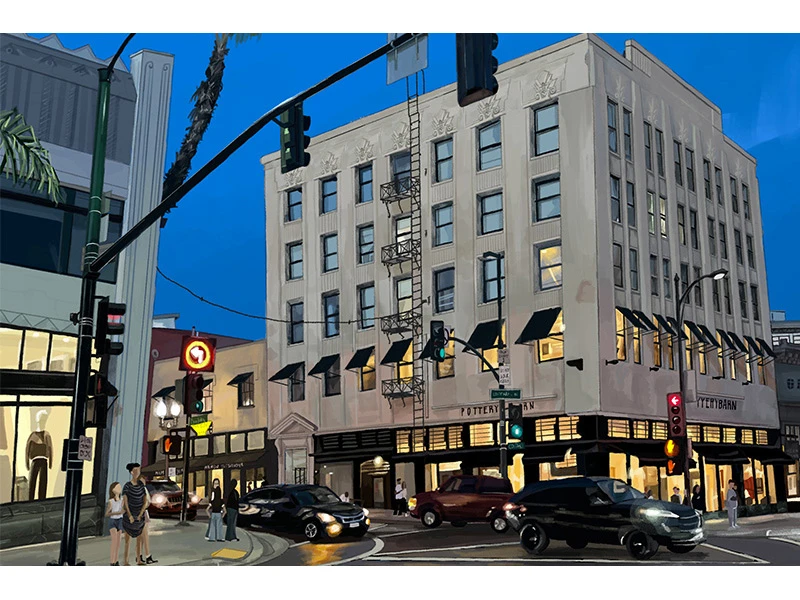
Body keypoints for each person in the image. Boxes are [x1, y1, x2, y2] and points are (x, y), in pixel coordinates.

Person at [122, 463, 148, 565]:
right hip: (130, 515)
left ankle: (138, 559)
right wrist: (129, 515)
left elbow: (145, 500)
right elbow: (125, 502)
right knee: (127, 540)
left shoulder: (141, 485)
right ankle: (126, 561)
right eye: (135, 471)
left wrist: (141, 513)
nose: (137, 472)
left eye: (139, 470)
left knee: (139, 539)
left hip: (139, 515)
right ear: (131, 472)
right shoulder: (127, 486)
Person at [138, 475, 157, 564]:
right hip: (142, 513)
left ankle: (139, 556)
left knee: (142, 537)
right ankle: (147, 556)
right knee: (145, 536)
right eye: (142, 480)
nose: (144, 482)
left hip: (143, 513)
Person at [106, 481, 124, 566]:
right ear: (113, 490)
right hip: (113, 520)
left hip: (120, 520)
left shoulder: (122, 500)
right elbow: (107, 513)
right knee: (114, 541)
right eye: (117, 487)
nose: (119, 489)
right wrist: (116, 513)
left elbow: (124, 510)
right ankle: (112, 561)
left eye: (120, 487)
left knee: (118, 542)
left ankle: (116, 560)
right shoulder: (111, 501)